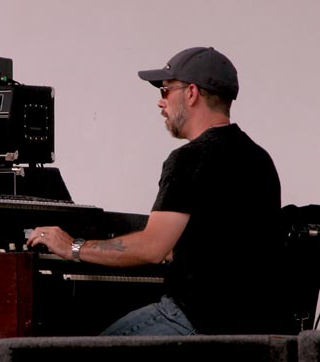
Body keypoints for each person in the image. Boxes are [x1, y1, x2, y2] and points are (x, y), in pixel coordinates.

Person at [27, 47, 291, 335]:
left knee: (65, 360)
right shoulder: (258, 158)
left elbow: (153, 248)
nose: (160, 102)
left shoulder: (190, 158)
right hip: (257, 327)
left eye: (166, 91)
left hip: (195, 319)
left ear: (191, 93)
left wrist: (72, 247)